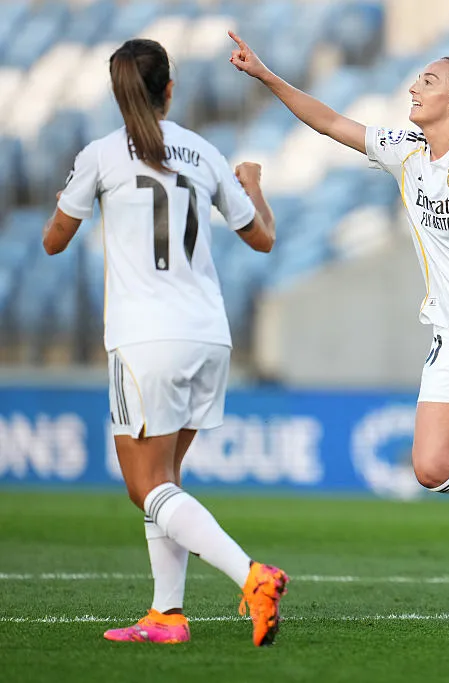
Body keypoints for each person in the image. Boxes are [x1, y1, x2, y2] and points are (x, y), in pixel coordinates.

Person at [228, 32, 449, 626]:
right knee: (432, 469)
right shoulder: (406, 150)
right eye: (418, 78)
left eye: (429, 81)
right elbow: (330, 122)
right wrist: (266, 75)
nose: (415, 87)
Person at [42, 38, 285, 646]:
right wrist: (253, 183)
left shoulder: (101, 154)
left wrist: (66, 201)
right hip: (208, 335)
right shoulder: (204, 151)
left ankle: (251, 575)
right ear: (169, 90)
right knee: (165, 481)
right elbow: (262, 239)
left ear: (117, 92)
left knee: (144, 487)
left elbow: (52, 242)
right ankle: (166, 615)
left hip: (145, 339)